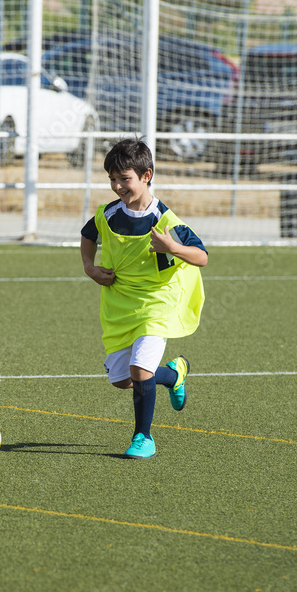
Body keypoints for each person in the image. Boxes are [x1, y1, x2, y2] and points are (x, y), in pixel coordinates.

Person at [80, 138, 207, 459]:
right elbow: (87, 235)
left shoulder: (165, 220)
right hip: (119, 304)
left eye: (125, 179)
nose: (117, 186)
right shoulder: (108, 214)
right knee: (123, 380)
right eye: (112, 179)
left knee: (139, 369)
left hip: (157, 303)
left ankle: (143, 437)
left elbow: (202, 256)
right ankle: (174, 374)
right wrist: (89, 269)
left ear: (146, 175)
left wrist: (173, 248)